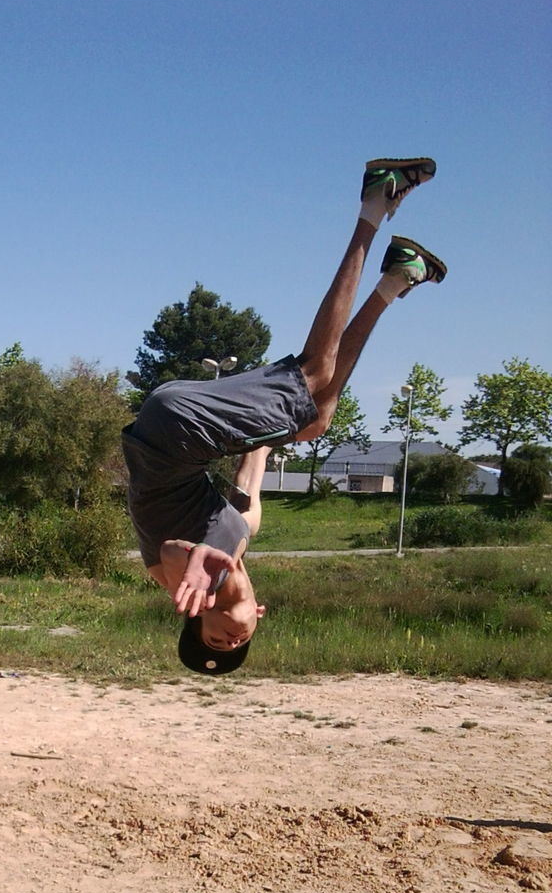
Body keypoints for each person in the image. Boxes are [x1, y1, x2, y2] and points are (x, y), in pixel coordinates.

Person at [122, 156, 445, 675]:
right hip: (177, 430)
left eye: (214, 640)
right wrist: (275, 438)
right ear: (261, 615)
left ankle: (374, 202)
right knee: (319, 414)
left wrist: (196, 557)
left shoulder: (194, 581)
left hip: (175, 433)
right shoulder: (242, 531)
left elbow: (172, 553)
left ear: (197, 616)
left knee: (314, 370)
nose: (228, 639)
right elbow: (250, 473)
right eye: (233, 646)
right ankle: (396, 278)